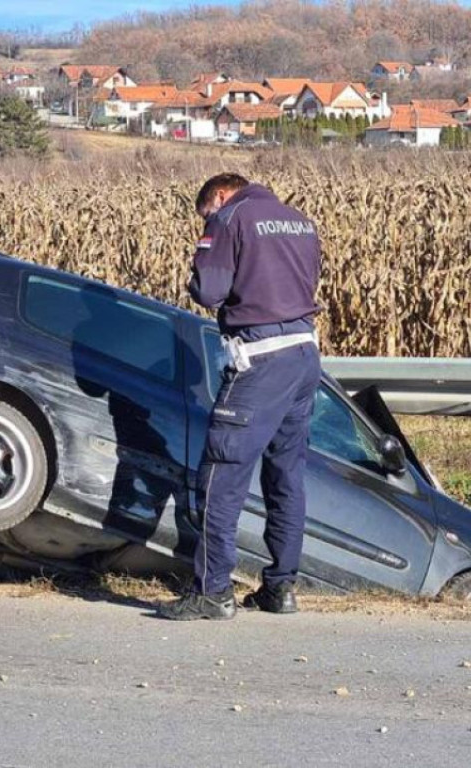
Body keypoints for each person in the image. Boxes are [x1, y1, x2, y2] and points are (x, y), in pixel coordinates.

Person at [157, 173, 323, 621]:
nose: (207, 221)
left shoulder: (230, 217)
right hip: (305, 355)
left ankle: (212, 592)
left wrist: (199, 266)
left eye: (205, 213)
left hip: (260, 360)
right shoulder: (298, 220)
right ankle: (280, 589)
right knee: (286, 474)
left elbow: (209, 292)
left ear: (220, 195)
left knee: (222, 472)